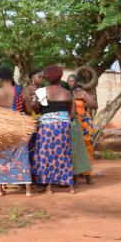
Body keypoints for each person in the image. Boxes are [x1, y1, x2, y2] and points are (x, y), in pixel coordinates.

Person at [31, 65, 75, 194]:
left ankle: (49, 187)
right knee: (64, 154)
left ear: (47, 77)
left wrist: (37, 104)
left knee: (46, 154)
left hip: (47, 126)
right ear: (60, 77)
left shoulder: (42, 92)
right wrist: (62, 120)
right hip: (63, 125)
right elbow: (72, 114)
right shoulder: (66, 93)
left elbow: (37, 110)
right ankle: (70, 187)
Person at [0, 66, 33, 197]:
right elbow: (29, 110)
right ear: (12, 76)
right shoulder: (21, 91)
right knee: (22, 154)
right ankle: (28, 190)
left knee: (1, 156)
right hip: (19, 125)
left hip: (2, 127)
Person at [67, 74, 97, 184]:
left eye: (72, 81)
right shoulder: (65, 92)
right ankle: (73, 175)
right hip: (71, 122)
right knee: (72, 149)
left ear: (77, 82)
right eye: (68, 81)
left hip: (83, 123)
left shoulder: (82, 93)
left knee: (86, 147)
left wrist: (83, 98)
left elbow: (94, 105)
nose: (70, 83)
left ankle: (88, 175)